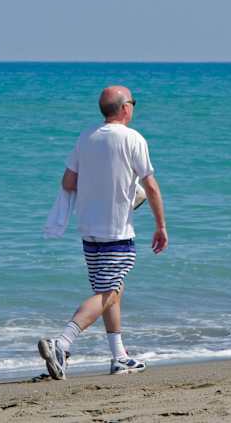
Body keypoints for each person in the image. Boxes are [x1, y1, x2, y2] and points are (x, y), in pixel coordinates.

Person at [38, 86, 168, 379]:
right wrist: (160, 225)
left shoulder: (87, 136)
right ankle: (62, 343)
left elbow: (68, 182)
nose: (133, 107)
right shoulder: (133, 139)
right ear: (124, 108)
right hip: (117, 231)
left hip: (89, 231)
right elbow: (150, 186)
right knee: (108, 294)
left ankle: (119, 357)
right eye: (133, 102)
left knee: (111, 291)